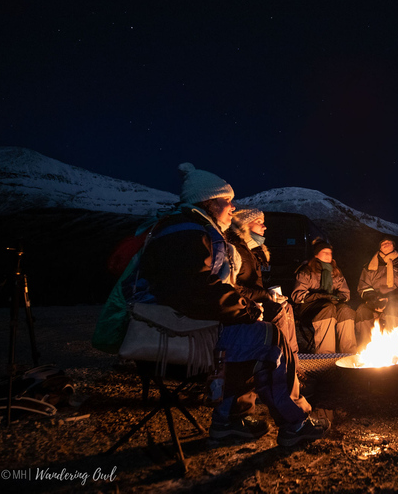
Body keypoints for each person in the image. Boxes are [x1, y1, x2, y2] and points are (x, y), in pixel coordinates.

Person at [134, 163, 329, 446]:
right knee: (267, 337)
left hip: (182, 325)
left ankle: (229, 420)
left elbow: (201, 286)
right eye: (227, 201)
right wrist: (245, 309)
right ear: (210, 203)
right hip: (179, 332)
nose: (233, 208)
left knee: (253, 332)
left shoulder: (185, 228)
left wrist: (243, 311)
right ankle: (294, 424)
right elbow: (196, 288)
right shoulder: (188, 232)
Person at [225, 208, 298, 357]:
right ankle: (279, 363)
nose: (264, 227)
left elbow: (253, 284)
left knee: (287, 307)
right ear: (245, 225)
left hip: (255, 300)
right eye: (259, 222)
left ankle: (293, 360)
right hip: (243, 305)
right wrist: (266, 296)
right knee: (277, 310)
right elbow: (235, 287)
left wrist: (269, 295)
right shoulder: (236, 249)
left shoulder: (253, 251)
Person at [291, 239, 357, 354]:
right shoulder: (306, 271)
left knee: (345, 310)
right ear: (316, 254)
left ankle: (349, 353)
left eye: (330, 253)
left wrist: (337, 298)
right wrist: (320, 296)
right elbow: (297, 296)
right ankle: (326, 355)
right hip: (308, 308)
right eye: (324, 253)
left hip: (331, 304)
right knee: (327, 308)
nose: (328, 255)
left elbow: (345, 293)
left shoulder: (336, 272)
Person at [355, 237, 398, 349]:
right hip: (374, 300)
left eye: (388, 243)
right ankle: (367, 347)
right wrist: (374, 300)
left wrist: (389, 300)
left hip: (394, 301)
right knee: (362, 311)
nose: (385, 244)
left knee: (396, 310)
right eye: (383, 244)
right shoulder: (369, 266)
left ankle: (391, 349)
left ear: (394, 246)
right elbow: (363, 285)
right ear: (379, 248)